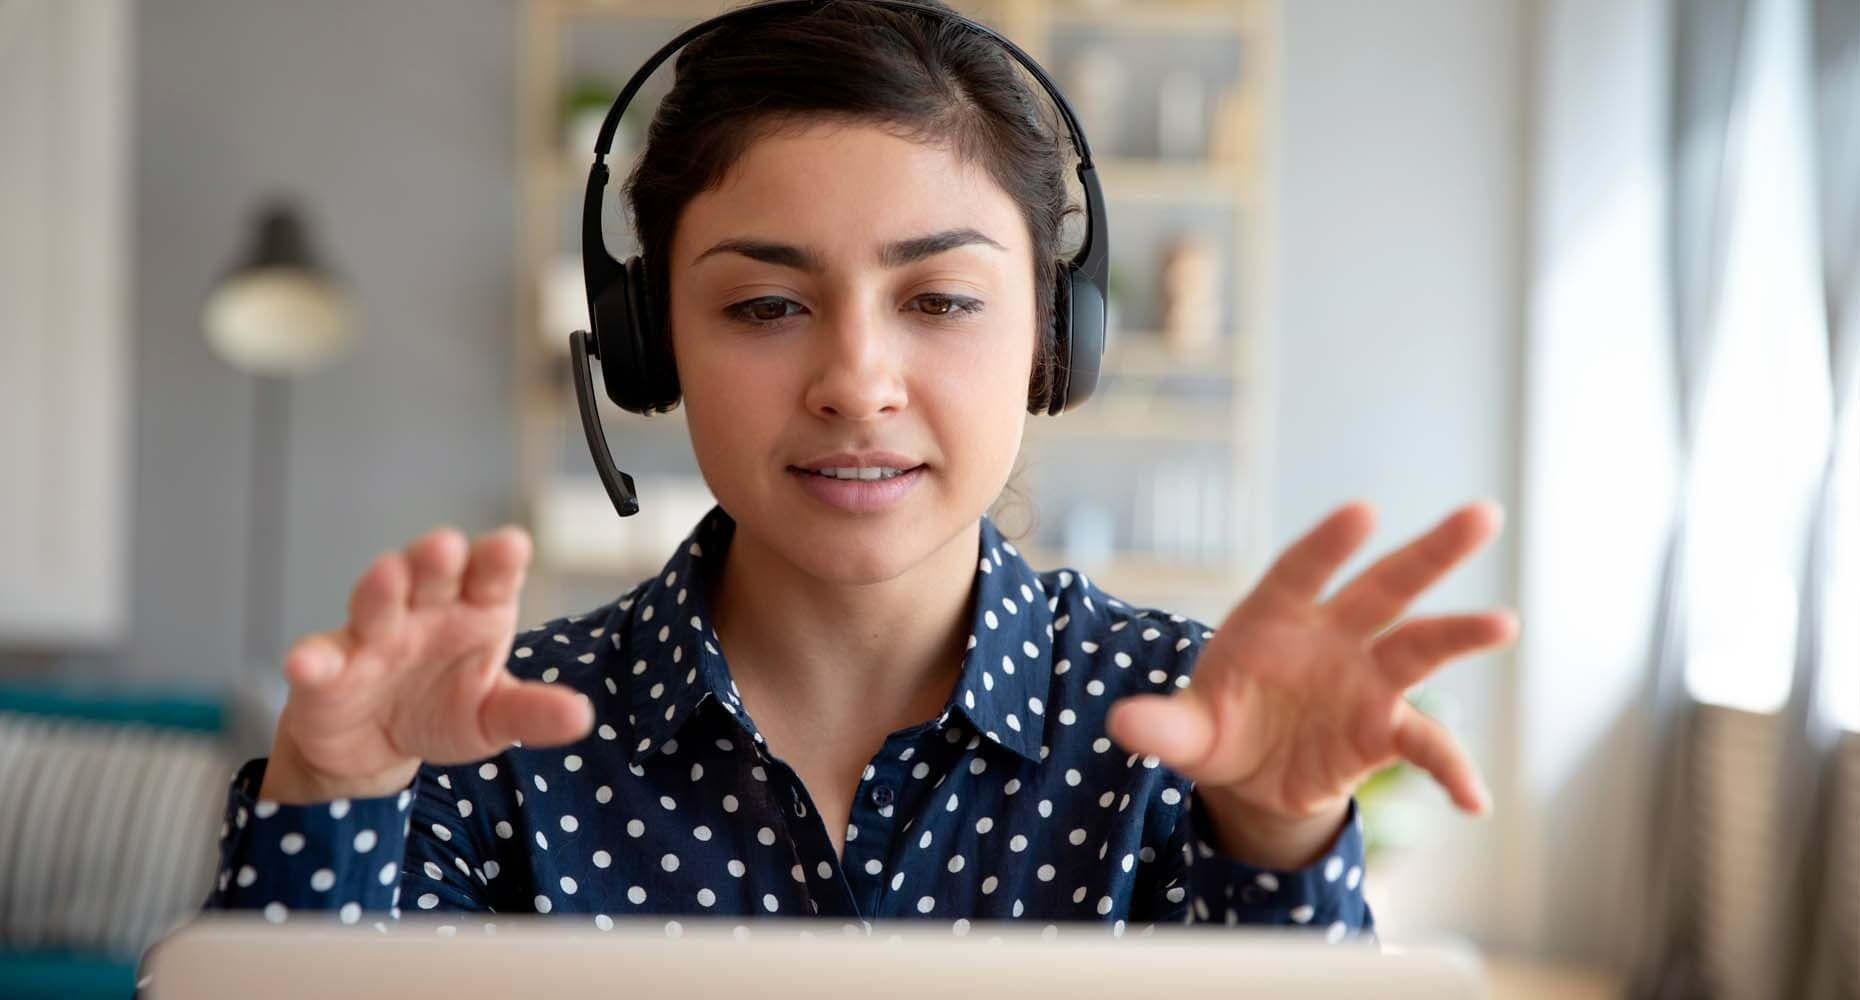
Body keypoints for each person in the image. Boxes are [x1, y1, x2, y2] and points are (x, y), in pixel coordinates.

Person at [199, 0, 1515, 941]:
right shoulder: (485, 740)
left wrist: (1275, 840)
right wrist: (333, 799)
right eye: (766, 308)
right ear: (651, 345)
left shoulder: (1190, 731)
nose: (856, 381)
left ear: (1057, 338)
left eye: (940, 300)